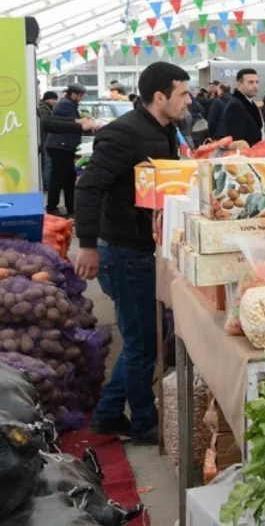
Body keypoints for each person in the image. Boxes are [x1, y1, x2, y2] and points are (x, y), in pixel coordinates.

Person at [75, 61, 192, 444]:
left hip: (147, 247)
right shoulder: (124, 134)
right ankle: (143, 420)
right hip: (123, 251)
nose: (189, 100)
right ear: (160, 97)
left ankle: (109, 413)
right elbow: (89, 188)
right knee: (142, 343)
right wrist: (88, 246)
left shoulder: (167, 130)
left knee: (145, 339)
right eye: (183, 94)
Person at [45, 83, 87, 216]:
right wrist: (82, 123)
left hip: (64, 146)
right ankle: (52, 207)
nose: (81, 98)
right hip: (60, 146)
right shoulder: (66, 104)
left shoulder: (69, 104)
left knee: (69, 178)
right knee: (58, 177)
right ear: (73, 94)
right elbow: (70, 123)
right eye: (79, 95)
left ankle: (71, 208)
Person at [221, 68, 263, 146]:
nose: (255, 86)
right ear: (239, 84)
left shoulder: (249, 102)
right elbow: (237, 140)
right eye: (250, 82)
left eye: (257, 82)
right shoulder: (235, 106)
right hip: (245, 155)